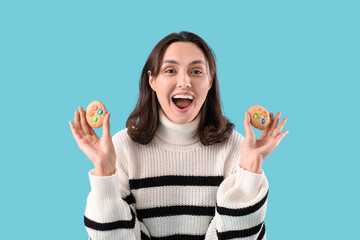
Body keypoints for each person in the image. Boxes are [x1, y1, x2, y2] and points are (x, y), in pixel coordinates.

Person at [69, 31, 289, 240]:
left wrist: (251, 169)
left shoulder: (235, 148)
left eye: (196, 71)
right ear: (152, 80)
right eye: (170, 70)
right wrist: (104, 172)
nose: (185, 82)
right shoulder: (123, 148)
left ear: (210, 81)